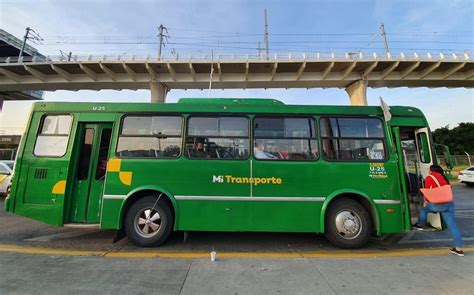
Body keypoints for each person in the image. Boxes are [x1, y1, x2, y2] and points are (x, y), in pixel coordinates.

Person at [413, 165, 464, 256]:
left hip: (436, 205)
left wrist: (426, 202)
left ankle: (419, 225)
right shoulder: (443, 177)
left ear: (432, 170)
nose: (428, 170)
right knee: (453, 226)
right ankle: (459, 249)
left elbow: (428, 191)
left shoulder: (430, 177)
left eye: (429, 169)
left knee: (424, 209)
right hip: (448, 204)